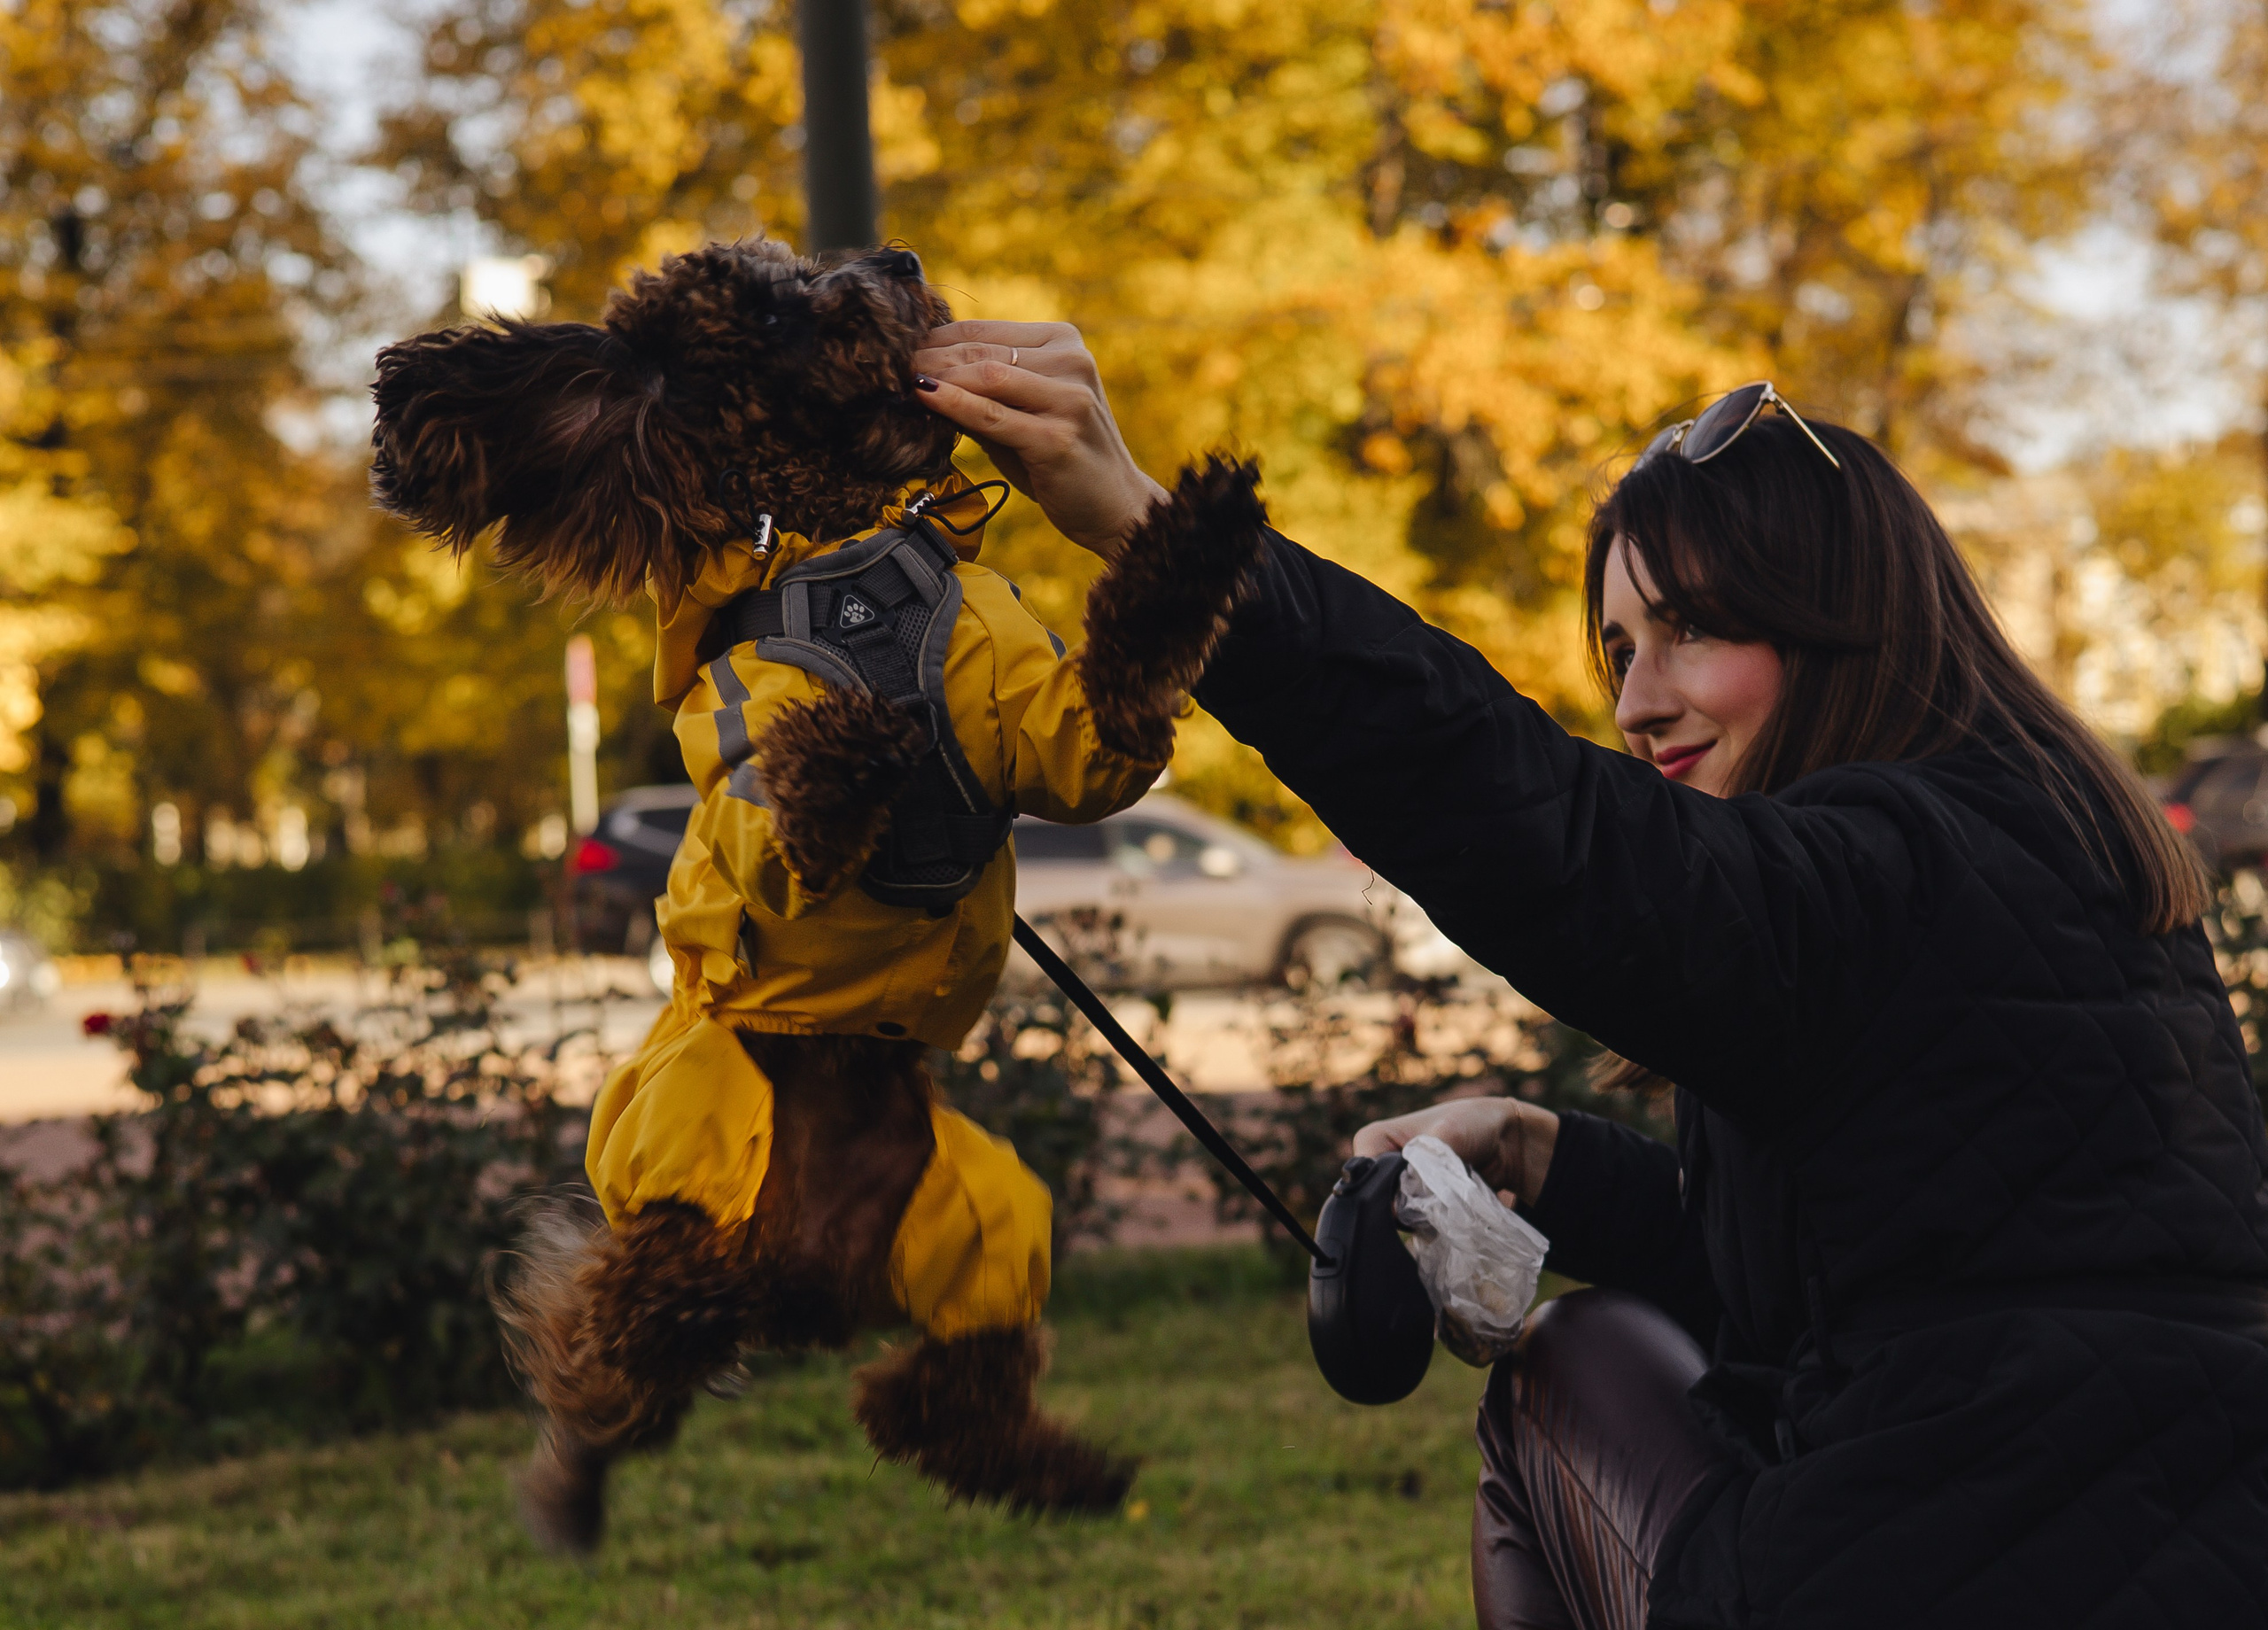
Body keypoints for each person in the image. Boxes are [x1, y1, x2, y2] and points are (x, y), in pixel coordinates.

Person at [907, 324, 2268, 1629]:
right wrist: (1547, 1157)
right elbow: (1894, 1278)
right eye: (1620, 649)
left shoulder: (1877, 864)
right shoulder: (2059, 846)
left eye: (1690, 632)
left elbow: (1531, 824)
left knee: (1566, 1366)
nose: (1637, 702)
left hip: (1929, 1571)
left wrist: (1168, 543)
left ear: (1840, 625)